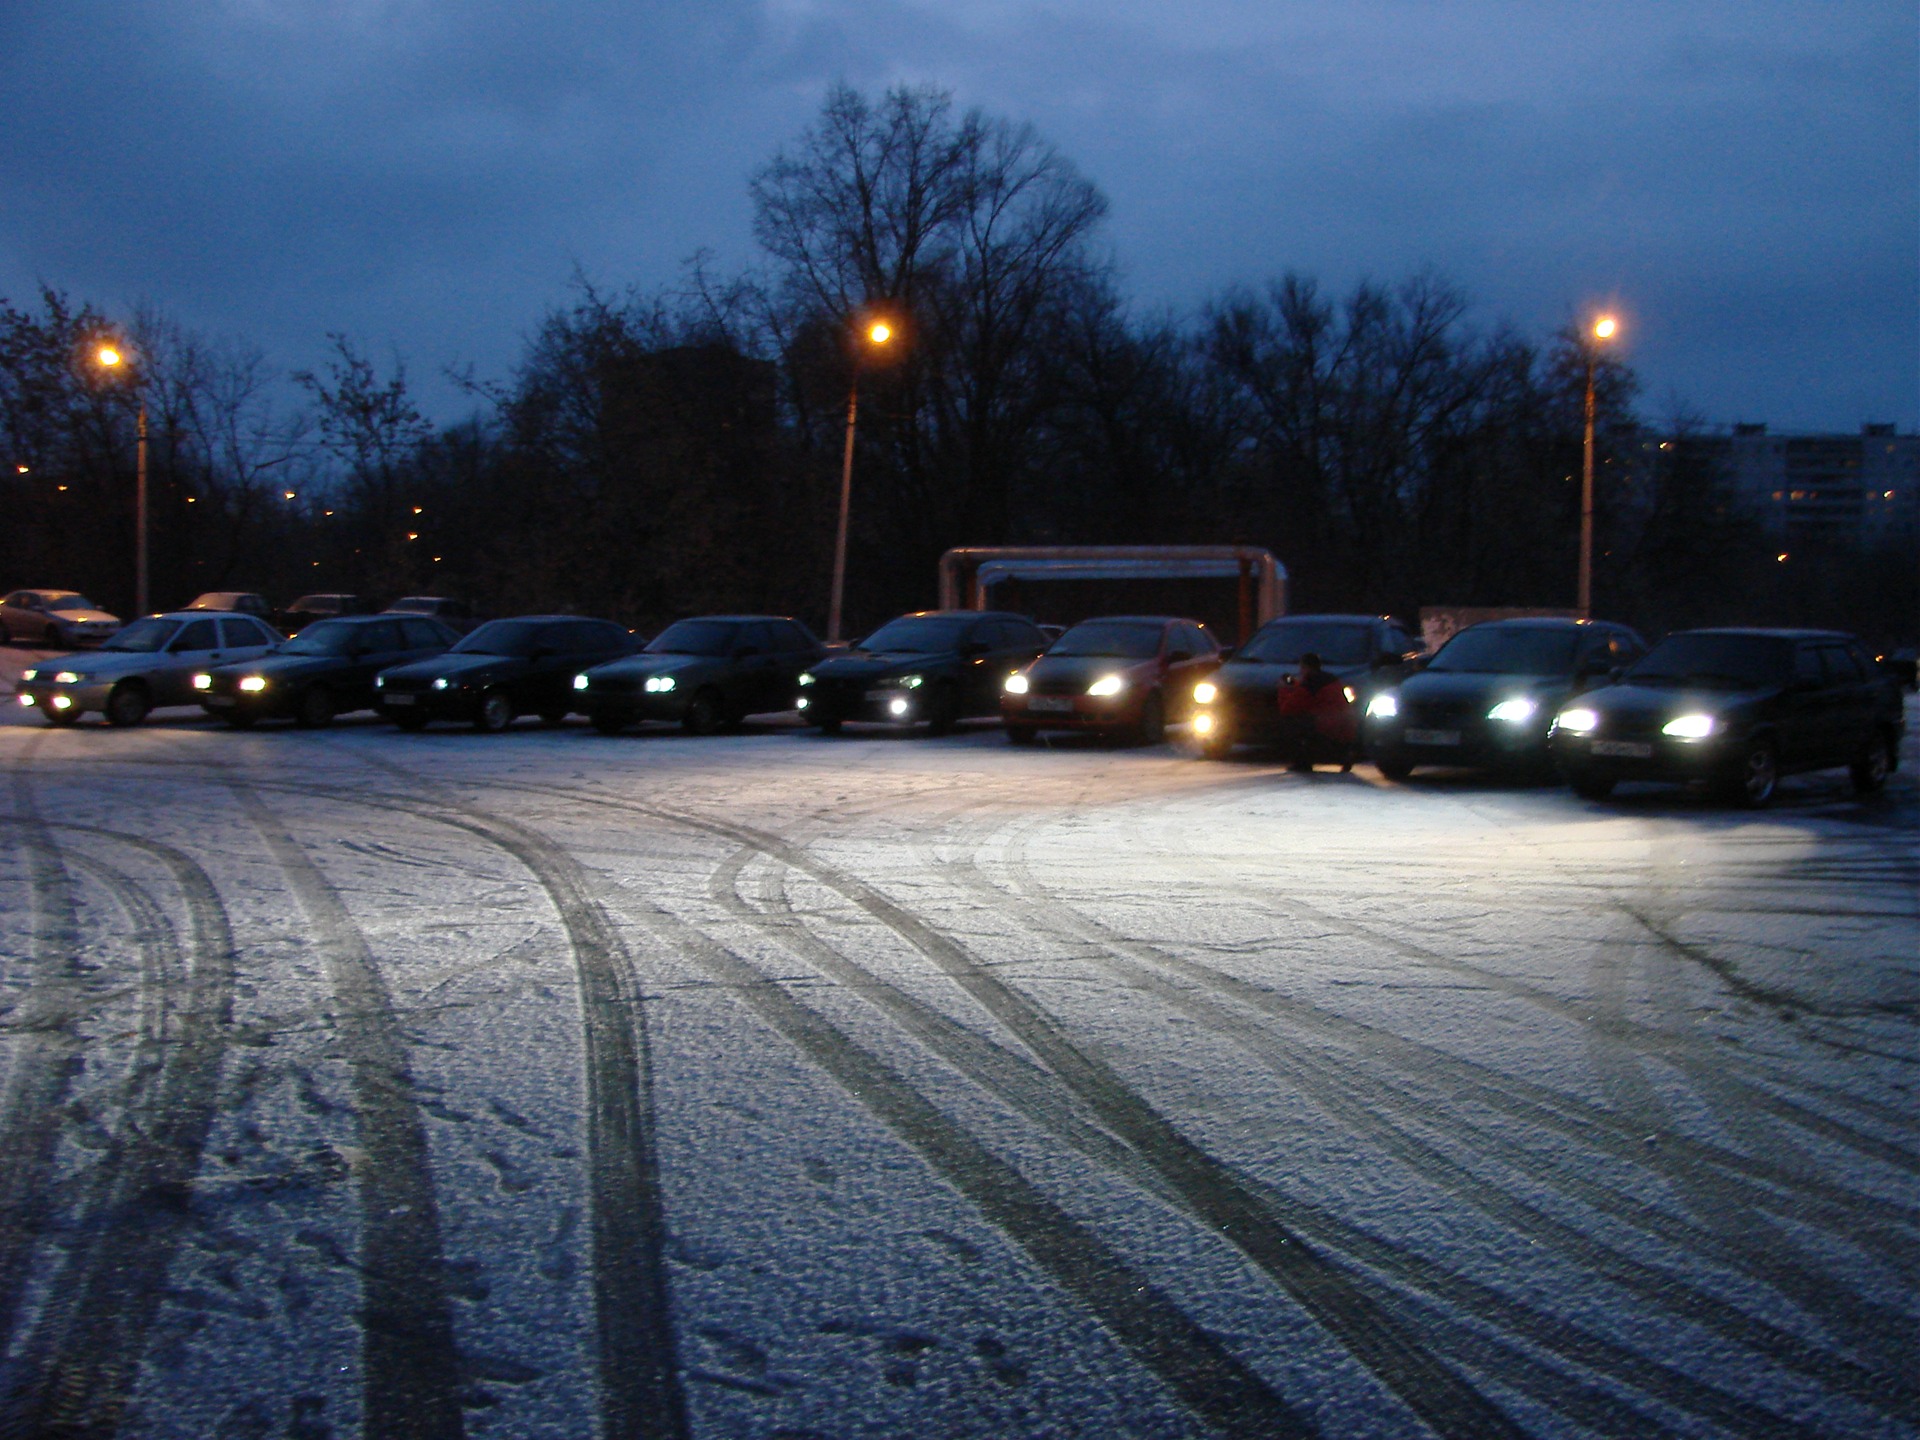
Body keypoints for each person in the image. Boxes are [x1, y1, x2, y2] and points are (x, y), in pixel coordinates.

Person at [1275, 652, 1358, 772]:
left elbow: (1288, 709)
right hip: (1346, 729)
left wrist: (1283, 690)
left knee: (1291, 722)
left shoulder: (1310, 684)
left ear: (1305, 667)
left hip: (1326, 729)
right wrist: (1298, 685)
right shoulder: (1331, 680)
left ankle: (1302, 761)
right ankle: (1344, 755)